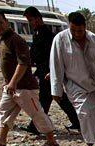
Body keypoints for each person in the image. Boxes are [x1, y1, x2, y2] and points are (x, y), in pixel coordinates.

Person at [0, 9, 57, 146]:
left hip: (25, 87)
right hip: (11, 86)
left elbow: (23, 63)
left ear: (6, 22)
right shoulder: (2, 40)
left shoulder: (16, 40)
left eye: (0, 22)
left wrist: (13, 82)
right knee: (4, 110)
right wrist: (8, 83)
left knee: (37, 113)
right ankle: (1, 139)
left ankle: (51, 141)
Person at [50, 11, 95, 146]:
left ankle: (90, 141)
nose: (77, 34)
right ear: (69, 26)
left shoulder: (93, 39)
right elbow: (56, 66)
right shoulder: (60, 40)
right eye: (74, 30)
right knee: (85, 114)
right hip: (75, 86)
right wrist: (56, 90)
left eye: (80, 30)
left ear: (85, 27)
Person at [23, 6, 80, 134]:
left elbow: (54, 56)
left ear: (37, 19)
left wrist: (52, 72)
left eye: (31, 20)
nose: (30, 23)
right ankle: (76, 122)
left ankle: (36, 126)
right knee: (53, 99)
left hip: (49, 73)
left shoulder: (47, 35)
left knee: (51, 99)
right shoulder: (37, 34)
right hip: (44, 72)